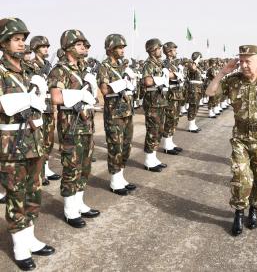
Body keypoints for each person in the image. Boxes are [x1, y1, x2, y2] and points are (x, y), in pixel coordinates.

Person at [206, 45, 257, 236]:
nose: (243, 65)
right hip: (241, 138)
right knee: (241, 177)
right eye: (241, 60)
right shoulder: (233, 81)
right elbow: (209, 93)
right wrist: (223, 72)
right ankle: (239, 213)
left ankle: (254, 209)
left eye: (248, 61)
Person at [0, 17, 55, 271]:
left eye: (23, 39)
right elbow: (6, 105)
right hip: (11, 144)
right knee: (16, 195)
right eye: (16, 39)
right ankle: (19, 246)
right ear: (3, 43)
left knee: (34, 192)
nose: (22, 44)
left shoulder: (30, 70)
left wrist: (35, 95)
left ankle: (30, 238)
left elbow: (42, 103)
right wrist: (30, 97)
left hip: (34, 140)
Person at [48, 29, 100, 228]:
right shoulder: (59, 70)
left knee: (85, 166)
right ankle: (70, 210)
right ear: (69, 47)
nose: (84, 48)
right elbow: (56, 97)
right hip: (70, 125)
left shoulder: (83, 70)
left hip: (86, 123)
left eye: (85, 45)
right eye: (79, 45)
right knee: (72, 167)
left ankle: (80, 203)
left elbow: (94, 97)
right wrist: (79, 96)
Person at [98, 34, 137, 195]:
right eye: (119, 48)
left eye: (123, 48)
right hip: (114, 113)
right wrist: (122, 83)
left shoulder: (122, 66)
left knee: (127, 145)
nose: (122, 50)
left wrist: (131, 80)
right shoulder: (104, 66)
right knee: (116, 146)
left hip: (127, 111)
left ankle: (121, 176)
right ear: (110, 49)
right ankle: (114, 180)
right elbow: (105, 90)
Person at [30, 35, 61, 185]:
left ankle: (46, 168)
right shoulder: (31, 64)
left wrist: (54, 106)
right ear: (35, 48)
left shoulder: (48, 64)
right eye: (43, 46)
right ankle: (39, 171)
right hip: (38, 106)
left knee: (49, 139)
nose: (46, 49)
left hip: (49, 105)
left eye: (47, 46)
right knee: (39, 140)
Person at [142, 38, 169, 172]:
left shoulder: (159, 63)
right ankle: (148, 159)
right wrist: (160, 79)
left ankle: (153, 157)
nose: (160, 50)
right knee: (152, 130)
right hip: (152, 101)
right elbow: (147, 81)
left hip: (160, 100)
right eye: (158, 48)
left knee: (159, 130)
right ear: (152, 50)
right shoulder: (148, 64)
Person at [161, 42, 185, 154]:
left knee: (175, 118)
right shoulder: (165, 62)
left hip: (177, 92)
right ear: (169, 51)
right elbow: (167, 75)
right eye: (174, 50)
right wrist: (177, 74)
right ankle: (166, 144)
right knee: (170, 118)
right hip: (170, 93)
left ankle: (170, 141)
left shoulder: (174, 63)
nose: (175, 52)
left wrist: (177, 73)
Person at [186, 52, 203, 133]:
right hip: (193, 88)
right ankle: (191, 125)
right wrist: (195, 61)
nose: (200, 59)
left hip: (198, 88)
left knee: (196, 106)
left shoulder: (197, 66)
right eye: (199, 57)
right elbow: (193, 69)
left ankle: (193, 124)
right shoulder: (191, 64)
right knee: (193, 106)